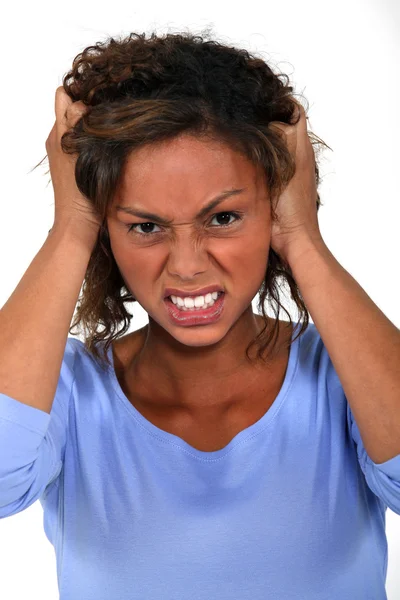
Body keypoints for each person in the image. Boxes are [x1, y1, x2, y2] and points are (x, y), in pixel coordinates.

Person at [0, 31, 399, 600]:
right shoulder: (67, 391)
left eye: (225, 218)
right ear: (106, 232)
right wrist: (71, 229)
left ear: (273, 209)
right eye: (146, 226)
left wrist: (303, 236)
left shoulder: (342, 375)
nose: (187, 266)